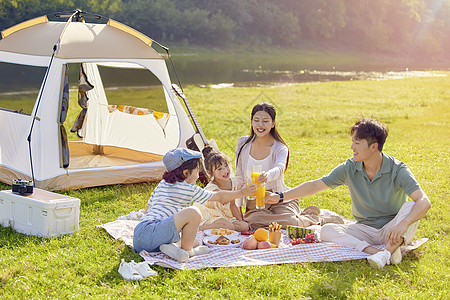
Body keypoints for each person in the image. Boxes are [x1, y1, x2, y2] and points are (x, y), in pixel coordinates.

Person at [264, 118, 431, 269]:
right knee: (327, 230)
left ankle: (386, 252)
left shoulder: (397, 169)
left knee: (411, 205)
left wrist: (403, 224)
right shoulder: (350, 168)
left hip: (393, 228)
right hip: (365, 229)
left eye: (357, 143)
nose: (352, 147)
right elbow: (316, 185)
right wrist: (280, 197)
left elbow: (424, 201)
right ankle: (379, 252)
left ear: (373, 147)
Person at [133, 148, 256, 262]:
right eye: (197, 170)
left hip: (139, 236)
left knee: (195, 240)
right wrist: (241, 193)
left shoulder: (162, 183)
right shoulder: (188, 188)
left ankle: (173, 247)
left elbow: (147, 209)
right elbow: (219, 197)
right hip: (154, 231)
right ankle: (187, 251)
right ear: (186, 173)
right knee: (193, 212)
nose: (198, 174)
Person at [235, 102, 342, 229]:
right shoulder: (243, 143)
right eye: (256, 120)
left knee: (290, 222)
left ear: (273, 123)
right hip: (256, 202)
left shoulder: (280, 147)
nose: (260, 125)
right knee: (252, 221)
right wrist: (239, 209)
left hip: (279, 198)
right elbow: (239, 177)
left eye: (265, 121)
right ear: (251, 122)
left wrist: (267, 176)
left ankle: (313, 218)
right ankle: (302, 216)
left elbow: (279, 168)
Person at [193, 146, 249, 232]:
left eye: (226, 166)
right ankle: (199, 228)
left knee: (244, 226)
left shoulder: (232, 183)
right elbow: (223, 199)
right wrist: (241, 192)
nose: (225, 171)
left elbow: (232, 205)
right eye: (219, 169)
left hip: (223, 216)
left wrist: (240, 221)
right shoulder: (212, 188)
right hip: (209, 214)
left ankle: (226, 227)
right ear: (210, 173)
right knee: (227, 225)